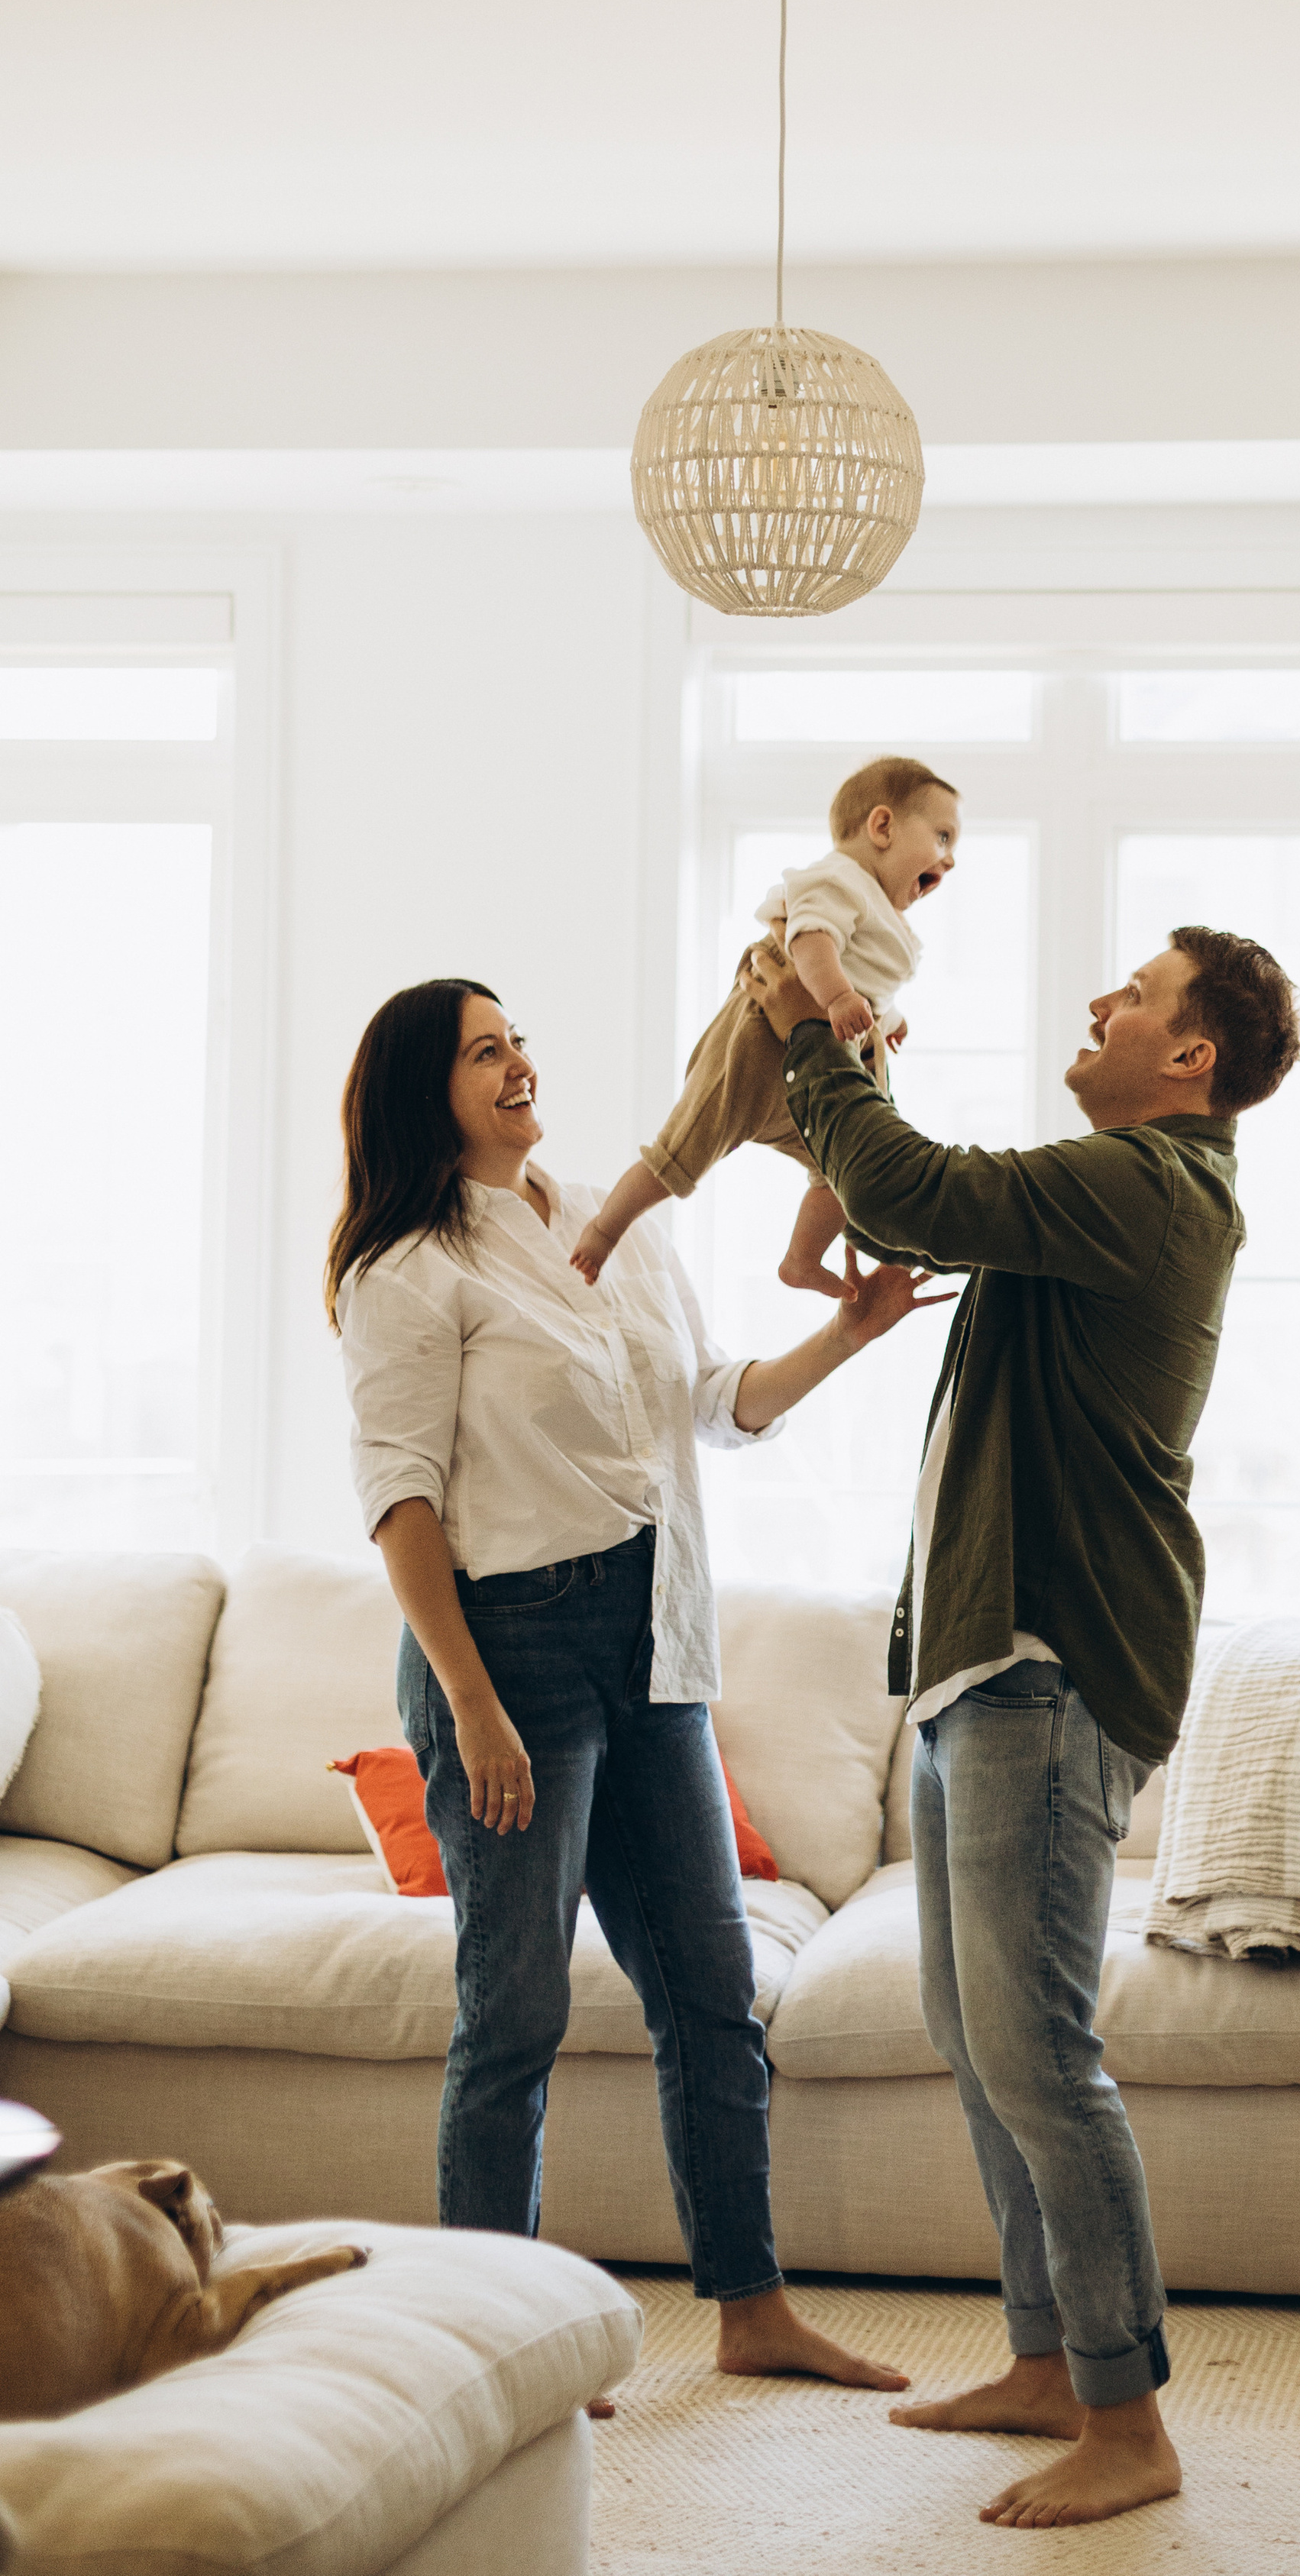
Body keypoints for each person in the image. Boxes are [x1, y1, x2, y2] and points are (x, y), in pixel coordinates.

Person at [743, 922, 1300, 2528]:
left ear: (1187, 1056)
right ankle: (1049, 2363)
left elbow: (915, 1186)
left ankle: (1128, 2424)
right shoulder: (1111, 1190)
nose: (1099, 1003)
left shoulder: (1149, 1188)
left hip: (1049, 1671)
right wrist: (833, 1102)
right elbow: (897, 1188)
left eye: (1131, 994)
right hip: (993, 1661)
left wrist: (815, 1040)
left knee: (1039, 2051)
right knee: (976, 2034)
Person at [328, 976, 949, 2393]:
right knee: (517, 2017)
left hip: (653, 1641)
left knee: (714, 1991)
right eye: (484, 1052)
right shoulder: (409, 1271)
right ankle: (493, 2344)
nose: (517, 1064)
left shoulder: (619, 1215)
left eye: (518, 1041)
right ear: (427, 1089)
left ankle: (753, 2311)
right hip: (508, 1653)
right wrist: (474, 1708)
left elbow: (713, 1404)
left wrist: (848, 1334)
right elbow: (400, 1504)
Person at [570, 758, 961, 1298]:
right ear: (883, 826)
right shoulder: (841, 879)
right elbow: (810, 941)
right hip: (761, 1040)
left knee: (841, 1176)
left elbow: (869, 976)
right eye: (942, 836)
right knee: (683, 1148)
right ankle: (604, 1228)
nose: (951, 858)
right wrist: (840, 996)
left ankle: (801, 1259)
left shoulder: (883, 915)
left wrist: (887, 1017)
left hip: (821, 1058)